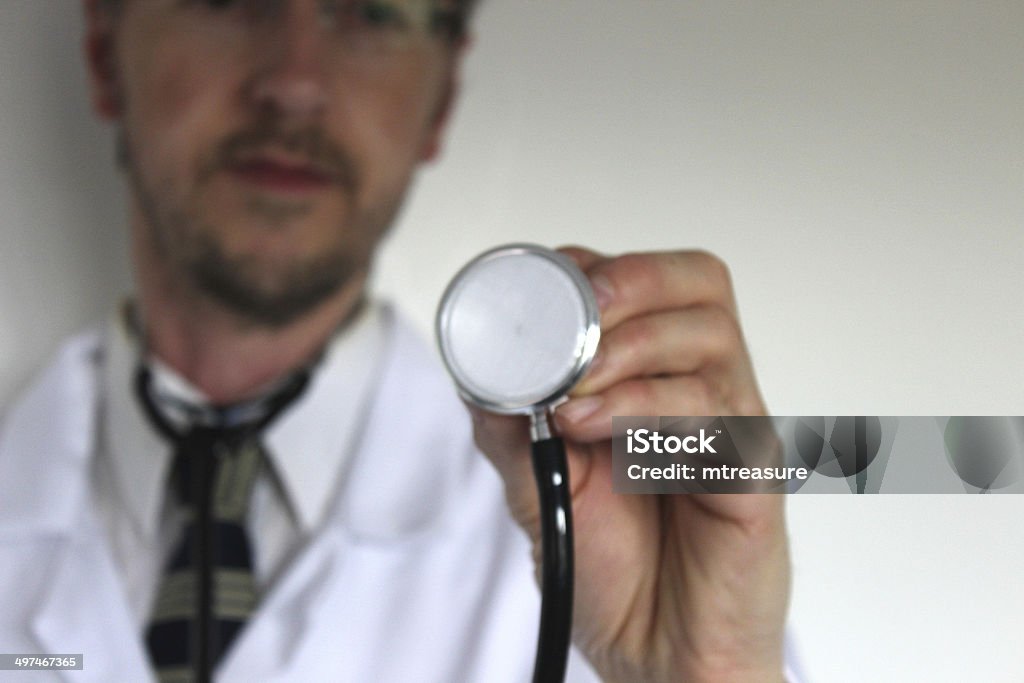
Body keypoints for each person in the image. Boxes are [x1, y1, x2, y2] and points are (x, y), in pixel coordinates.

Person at [0, 1, 797, 681]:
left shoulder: (625, 548)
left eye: (371, 12)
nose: (294, 84)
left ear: (441, 99)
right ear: (105, 54)